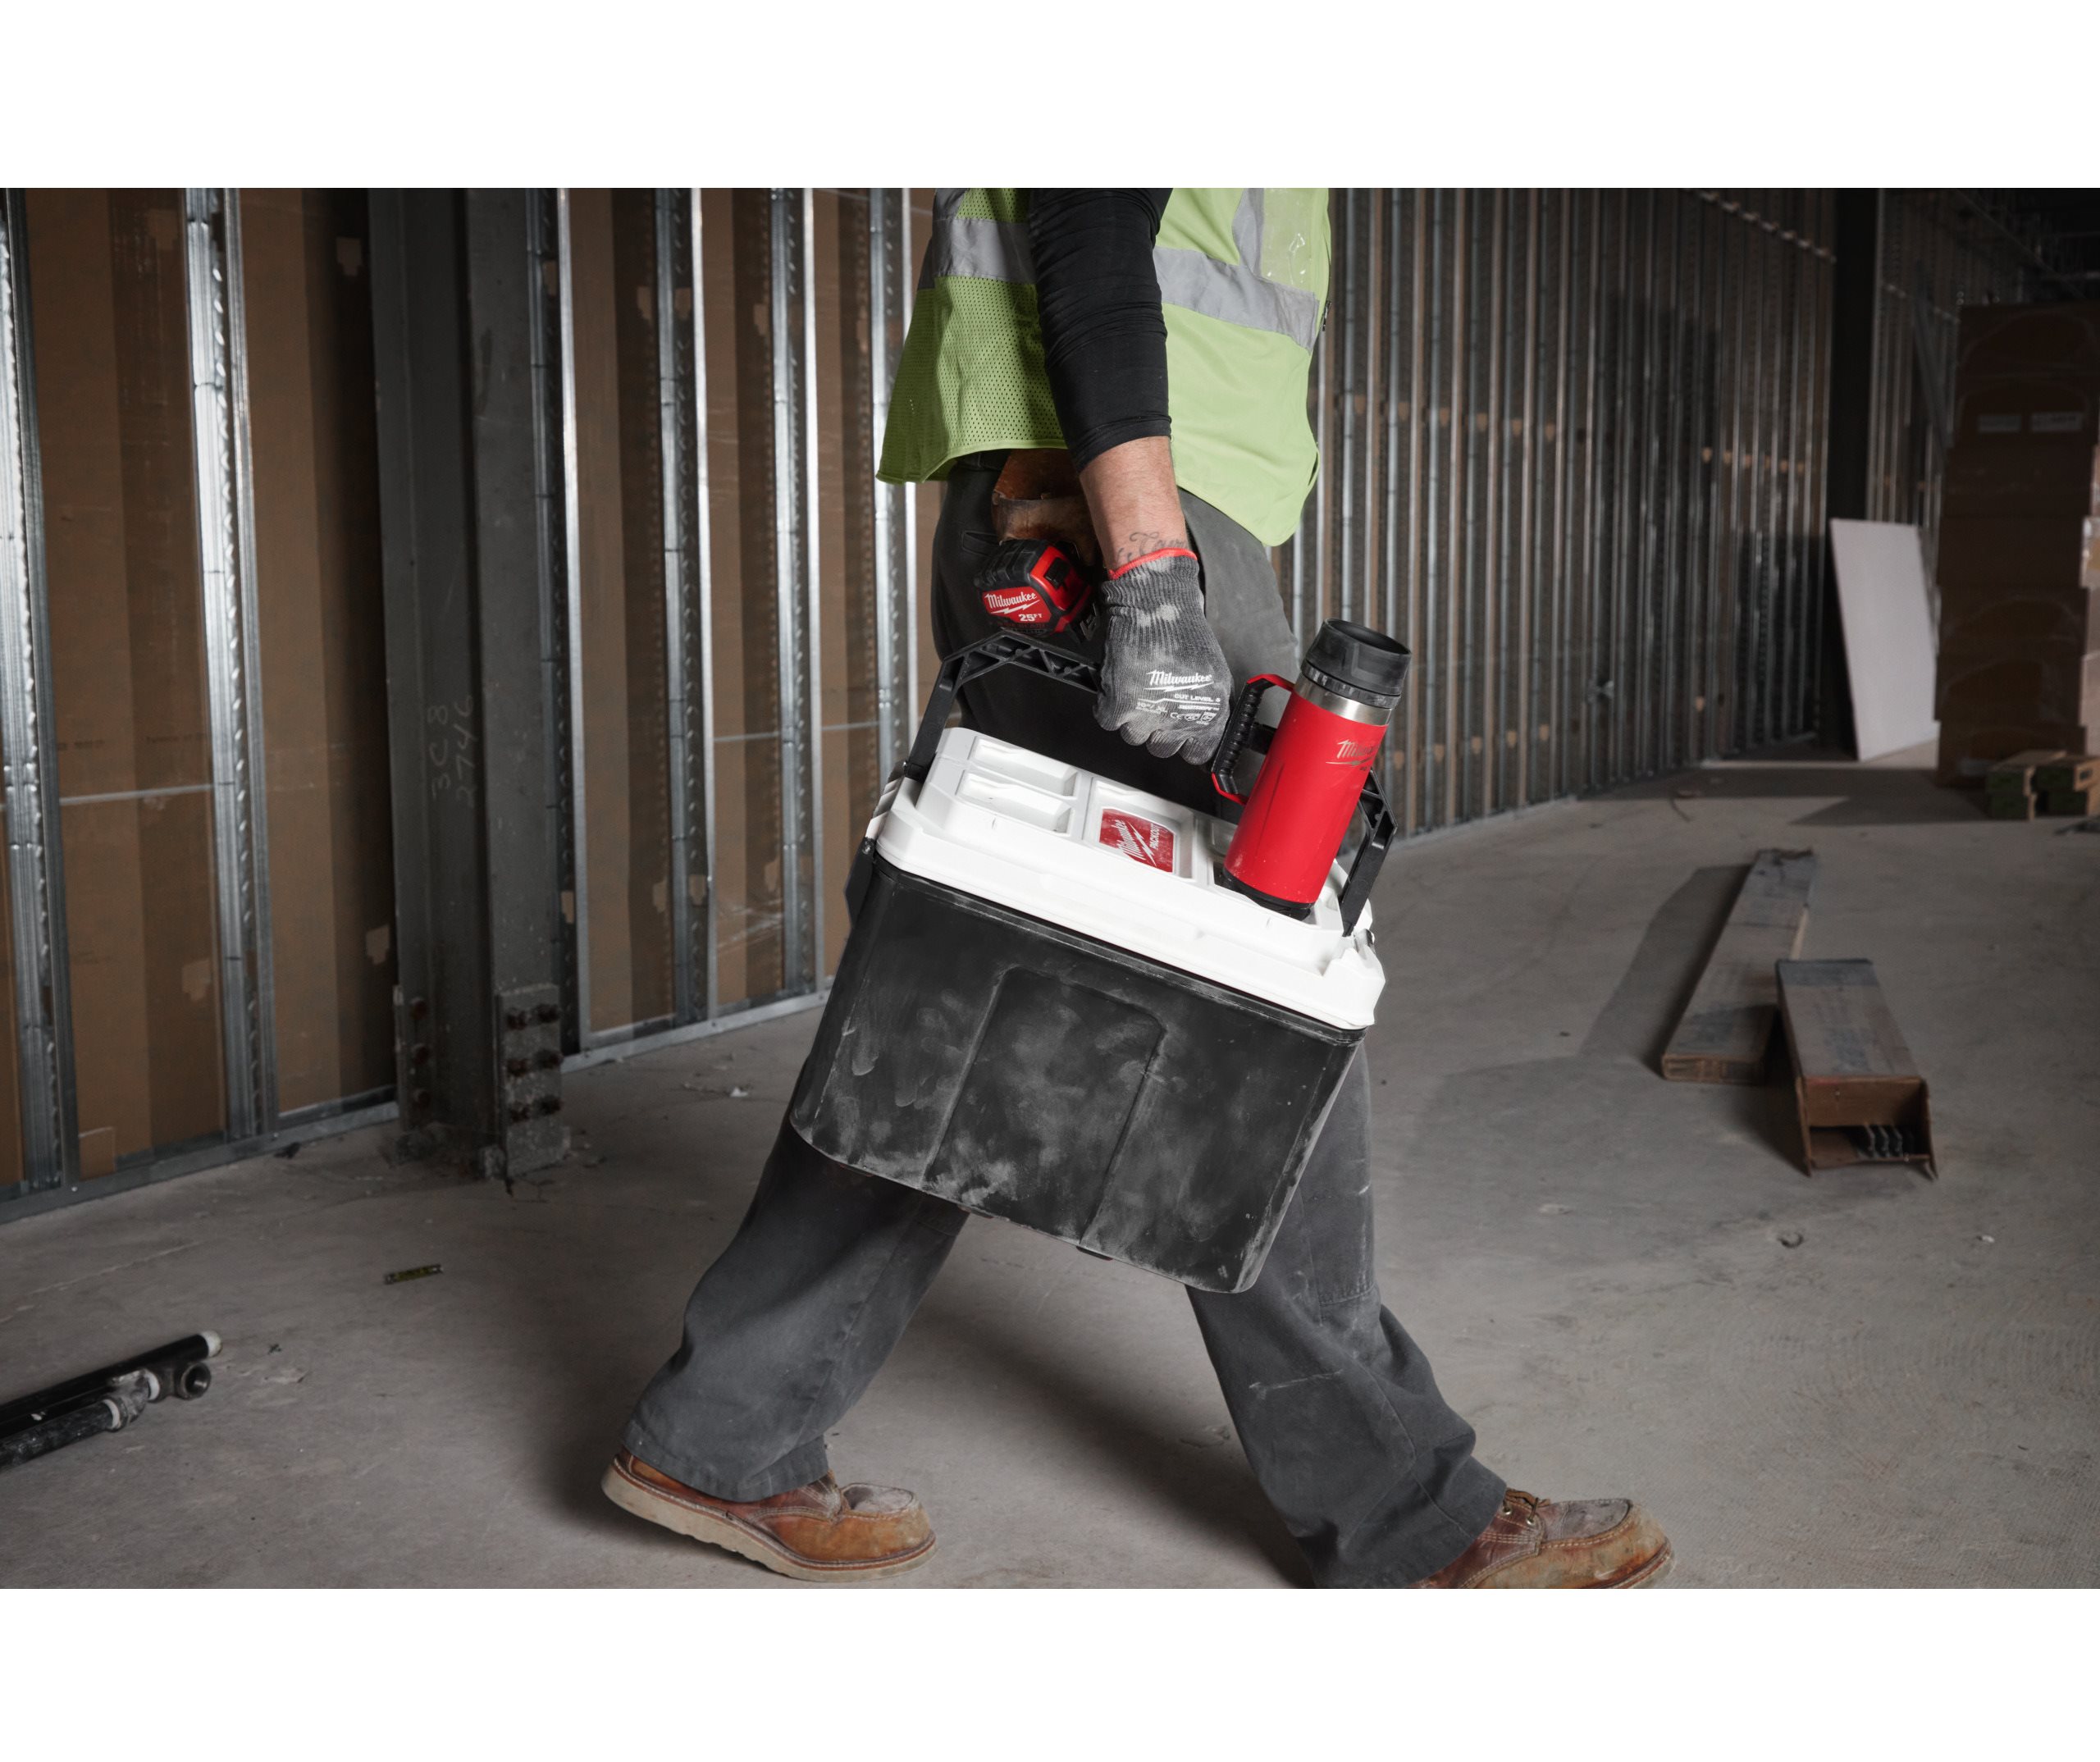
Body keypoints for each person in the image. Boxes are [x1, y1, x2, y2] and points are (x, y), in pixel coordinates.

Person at [602, 189, 1671, 1589]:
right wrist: (1156, 570)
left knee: (973, 992)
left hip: (1096, 489)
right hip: (1119, 513)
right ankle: (1401, 1507)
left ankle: (724, 1429)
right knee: (1258, 1002)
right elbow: (1090, 229)